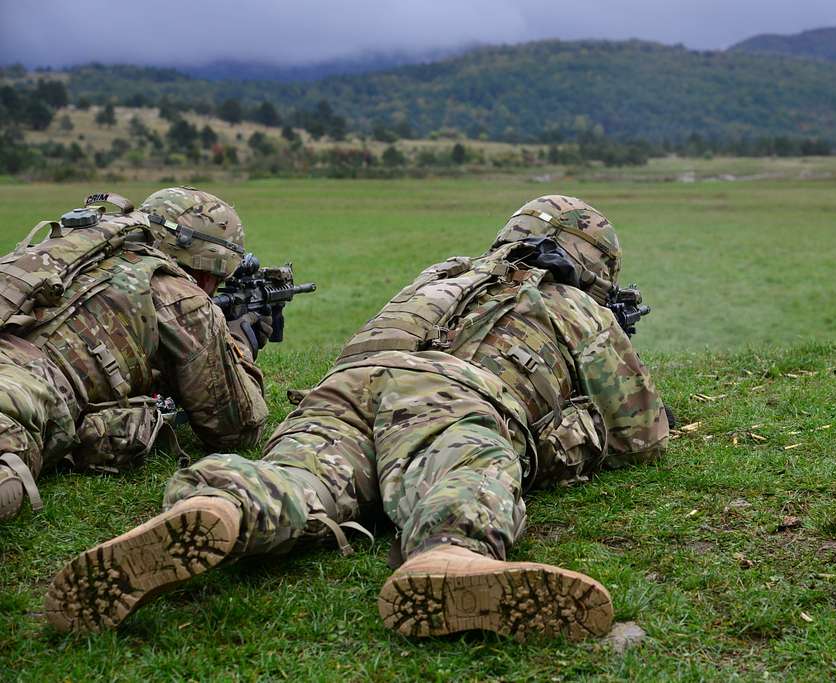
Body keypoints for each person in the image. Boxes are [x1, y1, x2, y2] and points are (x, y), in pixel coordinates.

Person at [46, 195, 670, 641]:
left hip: (345, 390)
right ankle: (449, 555)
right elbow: (642, 436)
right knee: (468, 463)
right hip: (450, 396)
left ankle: (225, 507)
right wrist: (577, 425)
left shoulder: (443, 274)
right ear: (596, 269)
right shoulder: (574, 307)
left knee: (303, 475)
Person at [0, 188, 269, 523]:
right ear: (207, 269)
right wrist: (241, 346)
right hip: (19, 392)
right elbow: (236, 428)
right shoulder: (178, 295)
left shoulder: (82, 253)